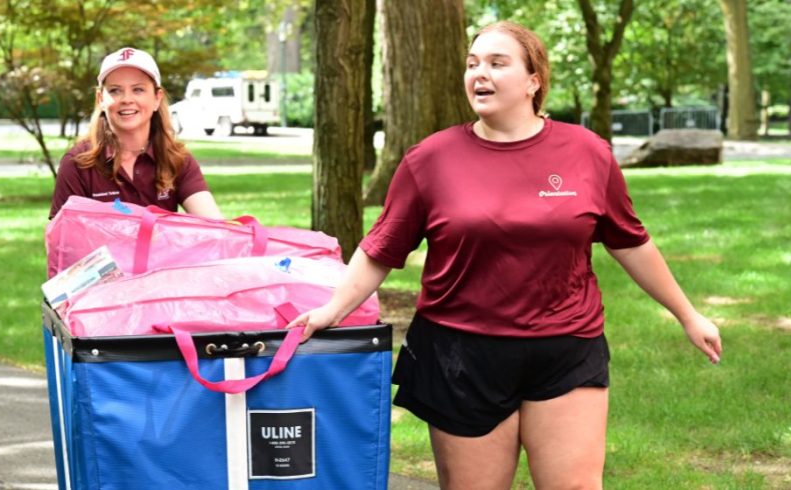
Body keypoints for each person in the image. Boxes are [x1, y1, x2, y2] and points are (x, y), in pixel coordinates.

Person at [287, 21, 722, 489]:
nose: (480, 73)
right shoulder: (430, 159)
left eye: (497, 63)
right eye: (473, 64)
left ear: (534, 80)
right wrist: (332, 309)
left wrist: (687, 314)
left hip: (566, 347)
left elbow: (629, 240)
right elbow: (381, 250)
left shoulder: (586, 152)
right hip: (461, 355)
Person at [49, 47, 222, 220]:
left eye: (138, 89)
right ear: (100, 99)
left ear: (157, 98)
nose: (127, 99)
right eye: (115, 90)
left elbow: (215, 225)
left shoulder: (177, 159)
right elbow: (63, 234)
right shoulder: (77, 164)